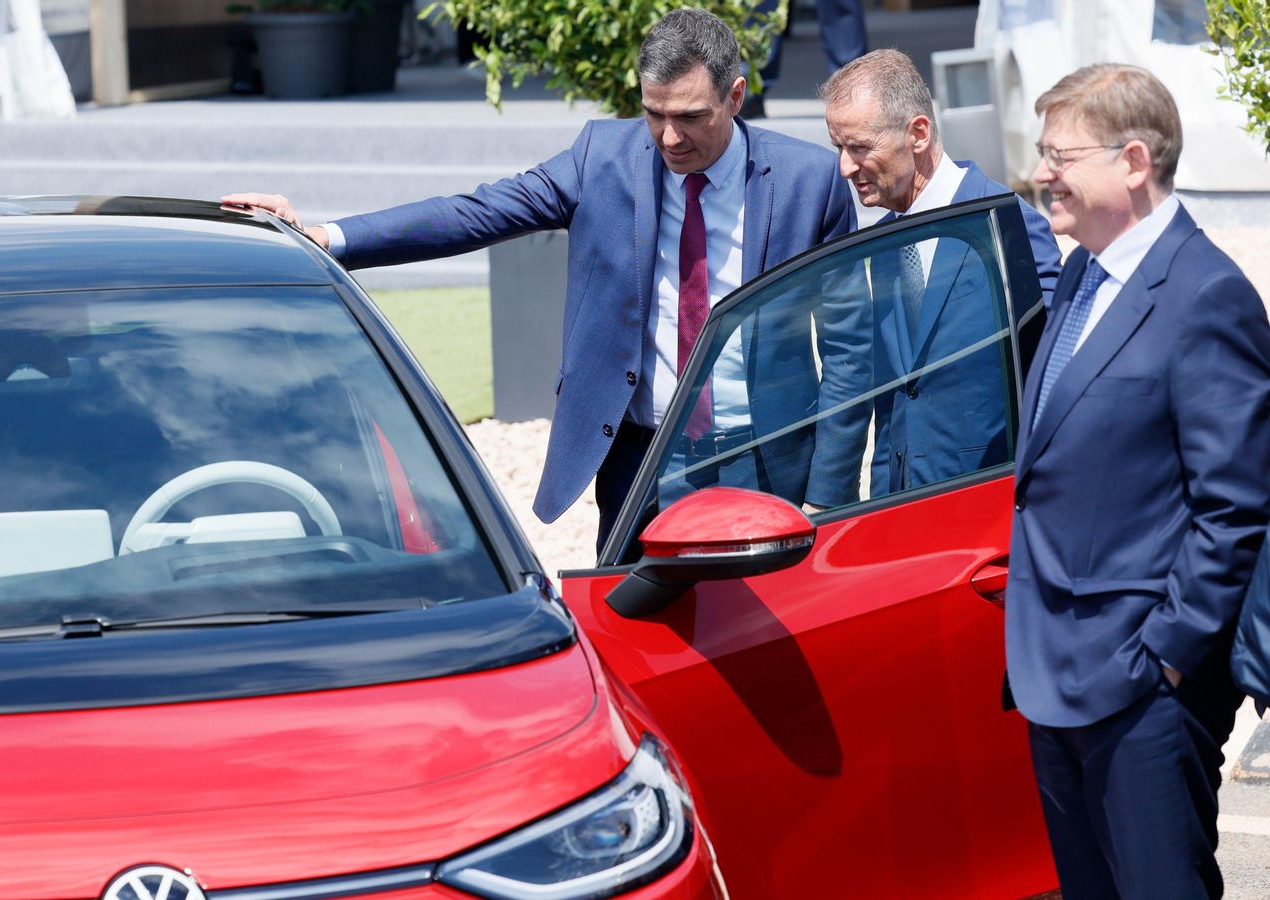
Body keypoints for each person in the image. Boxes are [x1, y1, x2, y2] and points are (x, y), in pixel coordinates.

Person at [224, 8, 861, 551]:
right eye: (653, 113)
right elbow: (477, 213)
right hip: (640, 457)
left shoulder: (810, 182)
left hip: (765, 456)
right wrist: (331, 236)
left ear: (736, 96)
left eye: (690, 116)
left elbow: (850, 349)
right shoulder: (602, 157)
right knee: (636, 634)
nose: (669, 137)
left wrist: (827, 496)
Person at [1007, 63, 1270, 900]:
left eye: (1060, 155)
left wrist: (1165, 658)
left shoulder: (1207, 297)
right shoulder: (1084, 271)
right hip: (1054, 676)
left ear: (1132, 162)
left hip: (1140, 688)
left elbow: (1234, 507)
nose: (1042, 173)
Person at [820, 49, 1061, 496]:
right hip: (901, 507)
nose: (845, 168)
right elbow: (893, 397)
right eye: (839, 148)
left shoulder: (1005, 223)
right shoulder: (886, 240)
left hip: (988, 503)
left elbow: (1053, 366)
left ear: (918, 133)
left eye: (859, 147)